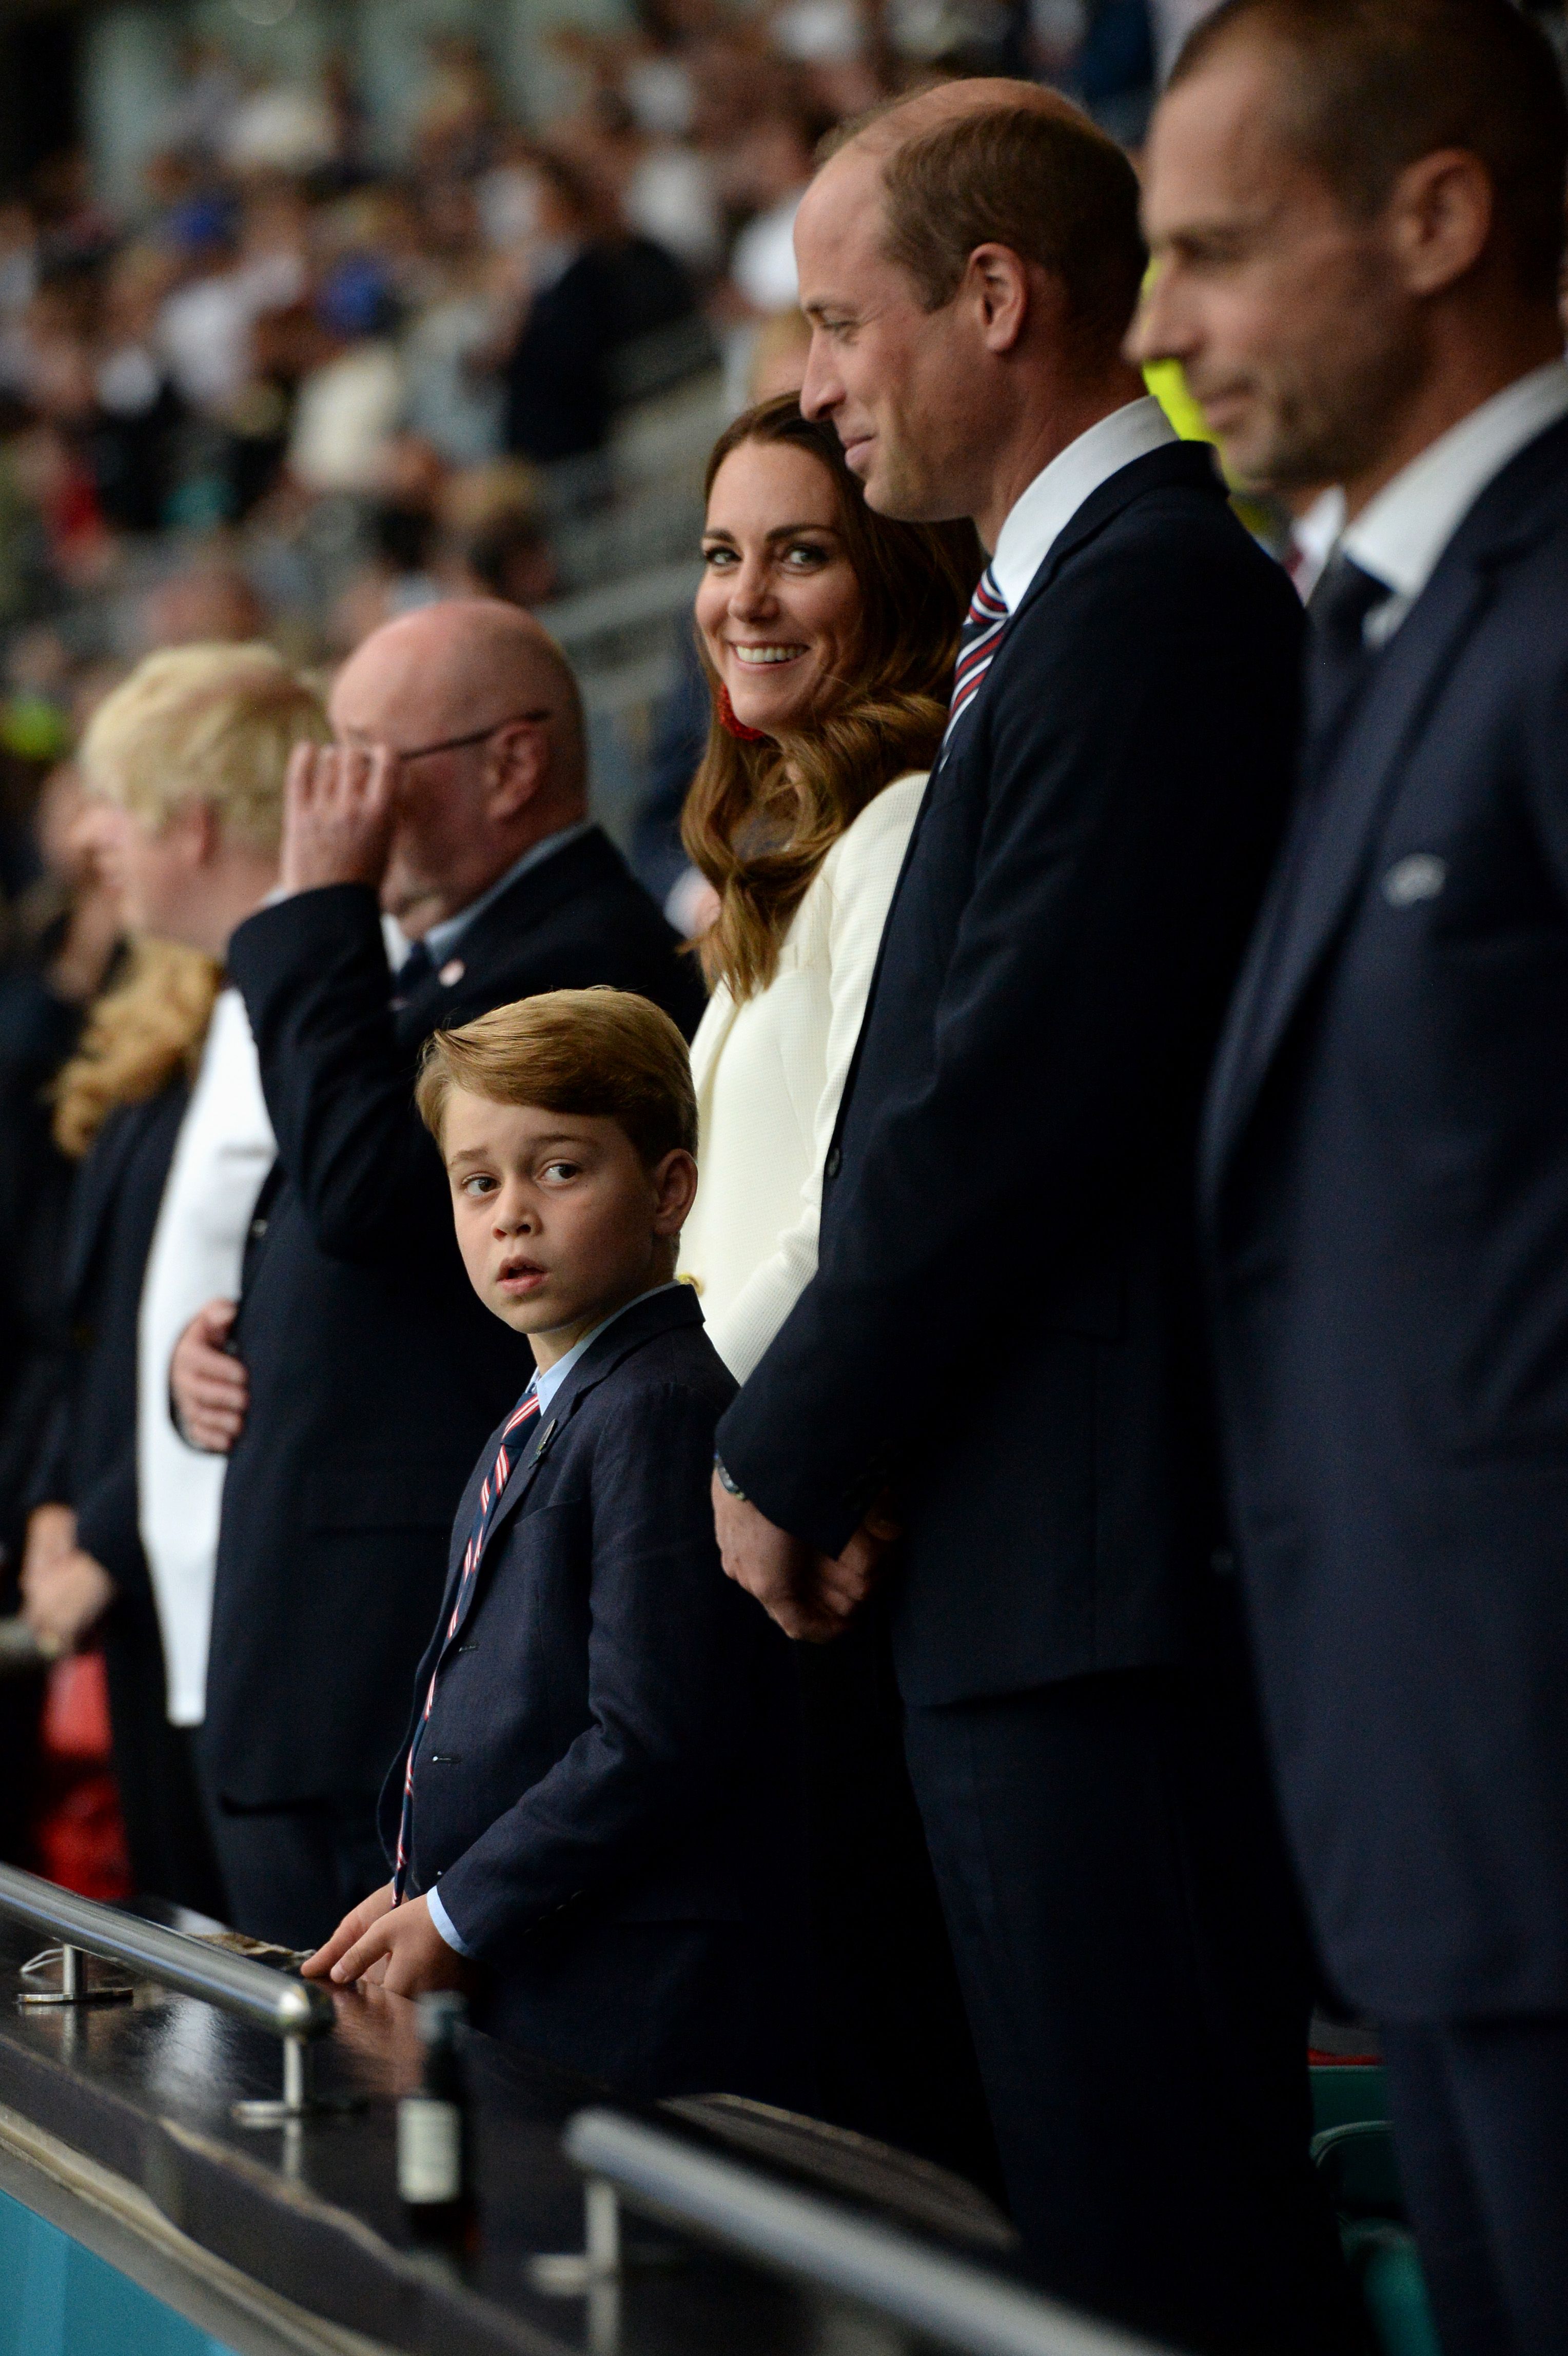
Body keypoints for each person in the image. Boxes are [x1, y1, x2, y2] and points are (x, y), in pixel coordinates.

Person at [708, 82, 1352, 2351]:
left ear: (993, 298)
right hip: (1014, 1570)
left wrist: (788, 1442)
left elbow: (1019, 1097)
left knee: (1155, 2253)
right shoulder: (1058, 604)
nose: (808, 378)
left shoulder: (1156, 595)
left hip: (1100, 1595)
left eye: (831, 316)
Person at [1129, 4, 1568, 2348]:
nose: (1161, 329)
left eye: (1209, 251)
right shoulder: (1365, 642)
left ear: (1437, 219)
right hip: (1428, 1826)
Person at [171, 598, 705, 1951]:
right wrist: (231, 1342)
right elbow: (356, 1233)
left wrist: (317, 907)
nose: (331, 805)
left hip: (391, 1663)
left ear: (512, 764)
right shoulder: (452, 957)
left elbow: (364, 1186)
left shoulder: (575, 948)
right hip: (316, 1648)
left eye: (363, 761)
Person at [677, 391, 995, 2179]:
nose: (746, 597)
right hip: (753, 1511)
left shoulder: (898, 825)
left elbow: (833, 1220)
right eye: (721, 555)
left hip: (804, 1534)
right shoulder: (767, 867)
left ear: (882, 577)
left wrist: (680, 1438)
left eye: (798, 551)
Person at [304, 990, 807, 2104]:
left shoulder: (658, 1406)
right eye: (478, 1181)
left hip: (635, 1999)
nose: (511, 1215)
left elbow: (653, 1735)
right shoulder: (544, 1409)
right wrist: (417, 1889)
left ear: (670, 1188)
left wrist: (459, 1910)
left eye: (561, 1170)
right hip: (543, 1970)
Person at [21, 644, 325, 1915]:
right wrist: (57, 1503)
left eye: (119, 805)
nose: (95, 840)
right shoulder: (196, 1024)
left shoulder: (303, 1011)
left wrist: (96, 1523)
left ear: (195, 822)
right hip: (176, 1615)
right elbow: (98, 1322)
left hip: (266, 1623)